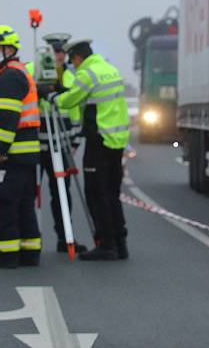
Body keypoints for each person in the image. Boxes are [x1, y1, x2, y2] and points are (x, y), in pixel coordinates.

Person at [53, 39, 130, 261]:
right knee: (112, 193)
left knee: (96, 193)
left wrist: (52, 96)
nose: (72, 66)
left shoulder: (88, 74)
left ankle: (106, 244)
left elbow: (69, 101)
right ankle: (120, 242)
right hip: (116, 140)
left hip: (99, 140)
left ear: (77, 57)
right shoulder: (109, 69)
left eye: (72, 62)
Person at [0, 25, 42, 268]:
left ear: (9, 49)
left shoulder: (8, 76)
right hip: (25, 155)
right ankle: (29, 253)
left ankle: (7, 255)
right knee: (25, 205)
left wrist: (0, 150)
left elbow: (8, 117)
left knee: (5, 204)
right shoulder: (17, 72)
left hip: (12, 155)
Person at [28, 32, 86, 254]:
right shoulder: (32, 72)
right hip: (35, 143)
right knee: (29, 192)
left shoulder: (71, 78)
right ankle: (31, 238)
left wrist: (75, 140)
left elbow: (76, 112)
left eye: (63, 52)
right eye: (56, 51)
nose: (60, 56)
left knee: (61, 191)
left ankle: (65, 237)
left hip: (59, 144)